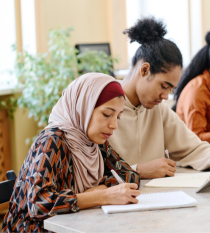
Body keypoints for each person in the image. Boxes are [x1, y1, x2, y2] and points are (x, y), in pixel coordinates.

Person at [108, 17, 210, 182]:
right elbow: (87, 173)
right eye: (164, 86)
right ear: (144, 70)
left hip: (159, 200)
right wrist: (138, 171)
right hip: (114, 203)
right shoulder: (104, 106)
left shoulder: (159, 110)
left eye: (170, 90)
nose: (165, 97)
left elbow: (192, 147)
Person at [2, 73, 140, 232]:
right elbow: (38, 204)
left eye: (118, 117)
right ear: (83, 107)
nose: (114, 125)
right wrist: (102, 196)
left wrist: (98, 189)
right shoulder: (51, 142)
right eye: (107, 114)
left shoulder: (93, 142)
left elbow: (129, 174)